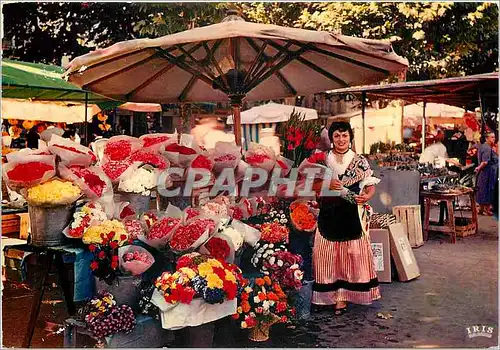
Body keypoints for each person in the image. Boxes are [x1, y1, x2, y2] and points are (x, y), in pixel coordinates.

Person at [312, 121, 380, 315]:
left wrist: (367, 195)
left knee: (351, 256)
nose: (341, 140)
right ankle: (326, 296)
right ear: (331, 139)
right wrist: (325, 187)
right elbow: (313, 185)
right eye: (337, 136)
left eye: (344, 136)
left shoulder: (360, 160)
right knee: (326, 255)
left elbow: (369, 184)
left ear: (350, 137)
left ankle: (342, 298)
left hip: (351, 214)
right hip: (328, 212)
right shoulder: (322, 159)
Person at [475, 132, 498, 216]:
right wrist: (478, 168)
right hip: (488, 173)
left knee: (482, 189)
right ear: (486, 138)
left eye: (494, 137)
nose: (494, 139)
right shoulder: (487, 148)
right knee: (487, 190)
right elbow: (485, 162)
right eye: (492, 137)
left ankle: (481, 209)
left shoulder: (484, 146)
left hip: (486, 172)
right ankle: (486, 209)